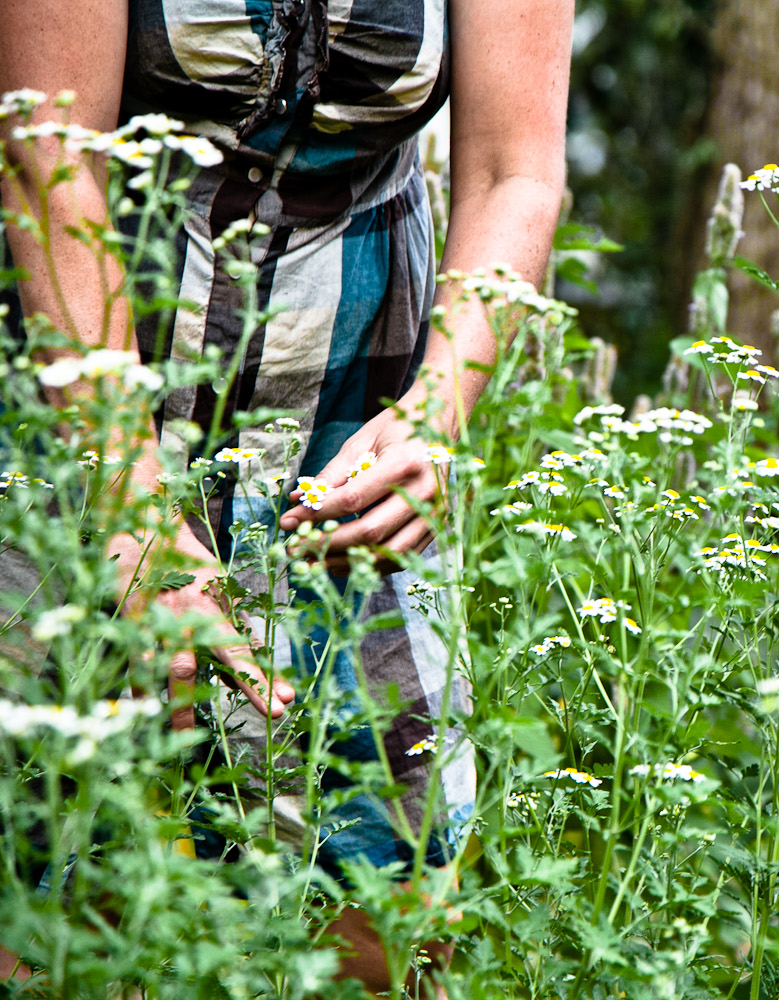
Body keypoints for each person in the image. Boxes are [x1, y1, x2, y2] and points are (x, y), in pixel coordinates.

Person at [0, 0, 572, 991]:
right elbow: (50, 159)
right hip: (77, 382)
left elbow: (511, 171)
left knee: (386, 898)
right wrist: (130, 506)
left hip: (348, 403)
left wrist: (438, 409)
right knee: (43, 883)